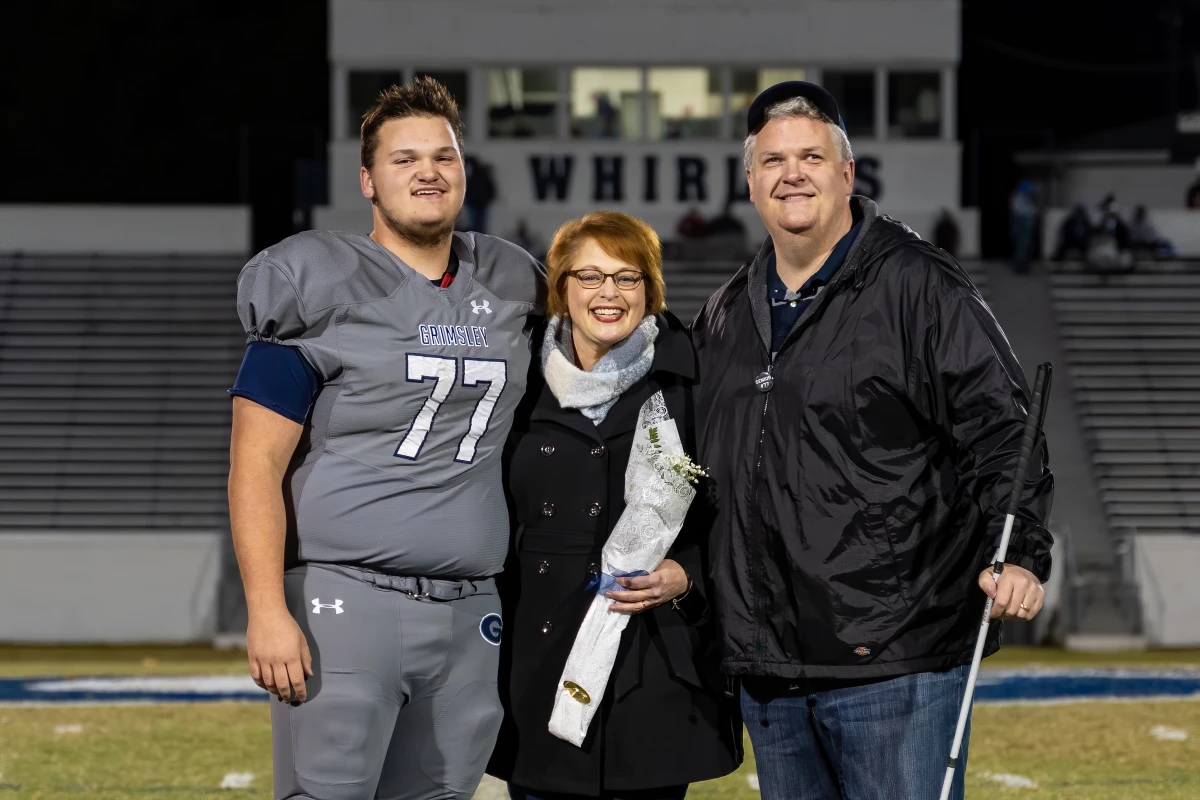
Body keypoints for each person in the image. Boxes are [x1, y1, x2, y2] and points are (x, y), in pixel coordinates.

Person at [690, 81, 1054, 800]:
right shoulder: (727, 311)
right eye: (773, 161)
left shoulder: (920, 286)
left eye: (811, 156)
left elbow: (1000, 430)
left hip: (897, 658)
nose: (792, 172)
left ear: (847, 174)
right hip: (773, 667)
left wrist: (1017, 552)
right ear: (751, 184)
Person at [227, 76, 545, 800]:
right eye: (404, 159)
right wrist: (267, 609)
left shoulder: (511, 283)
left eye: (444, 156)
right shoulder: (314, 281)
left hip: (471, 611)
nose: (428, 171)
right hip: (347, 600)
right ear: (367, 180)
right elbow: (255, 468)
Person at [488, 211, 742, 800]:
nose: (609, 293)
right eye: (590, 276)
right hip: (540, 657)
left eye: (628, 278)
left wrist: (688, 573)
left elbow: (736, 508)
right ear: (561, 288)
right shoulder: (515, 381)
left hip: (652, 661)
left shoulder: (693, 381)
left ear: (650, 291)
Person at [1009, 180, 1039, 273]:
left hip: (1027, 227)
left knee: (1026, 247)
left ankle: (1025, 265)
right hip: (1021, 226)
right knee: (1021, 248)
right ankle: (1020, 267)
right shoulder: (1017, 198)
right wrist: (1032, 212)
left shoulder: (1028, 198)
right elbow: (1020, 211)